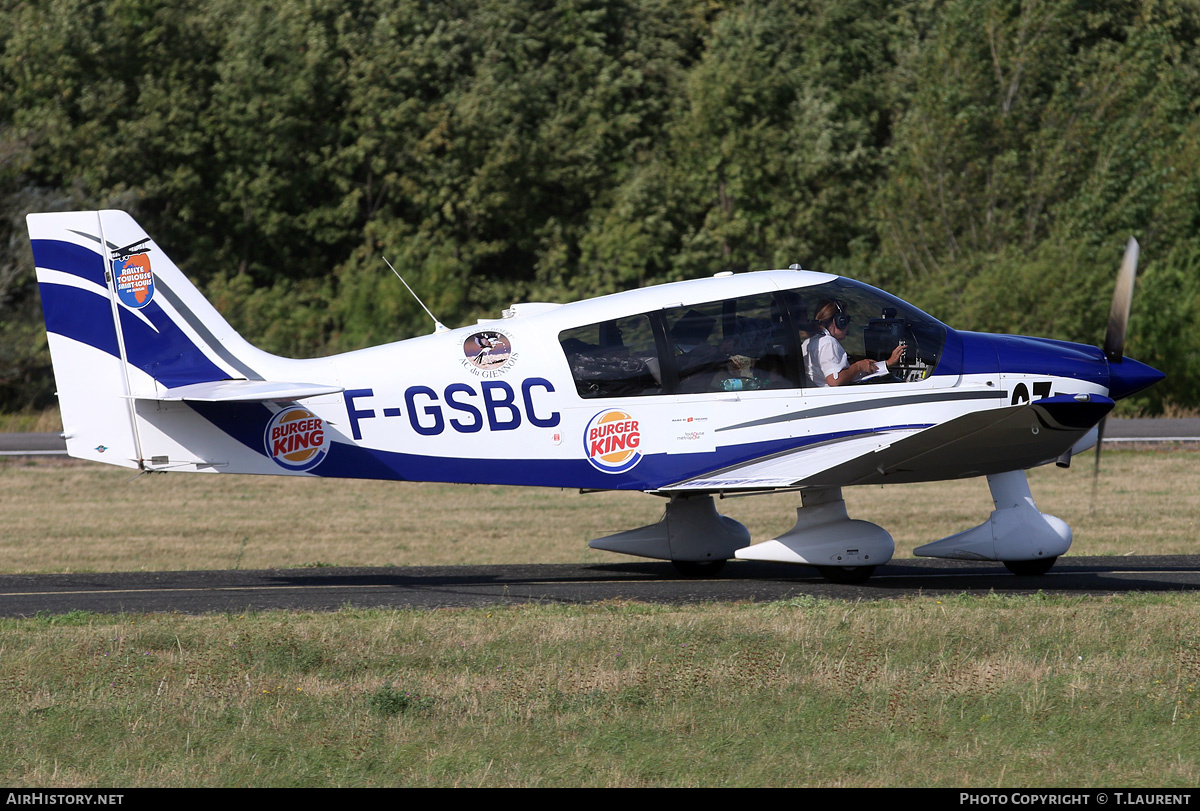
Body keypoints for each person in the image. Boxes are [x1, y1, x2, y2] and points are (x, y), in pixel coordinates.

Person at [804, 299, 904, 387]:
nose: (848, 325)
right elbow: (835, 381)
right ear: (839, 321)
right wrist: (858, 366)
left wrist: (887, 363)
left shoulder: (810, 342)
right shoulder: (828, 343)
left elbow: (844, 373)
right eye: (847, 319)